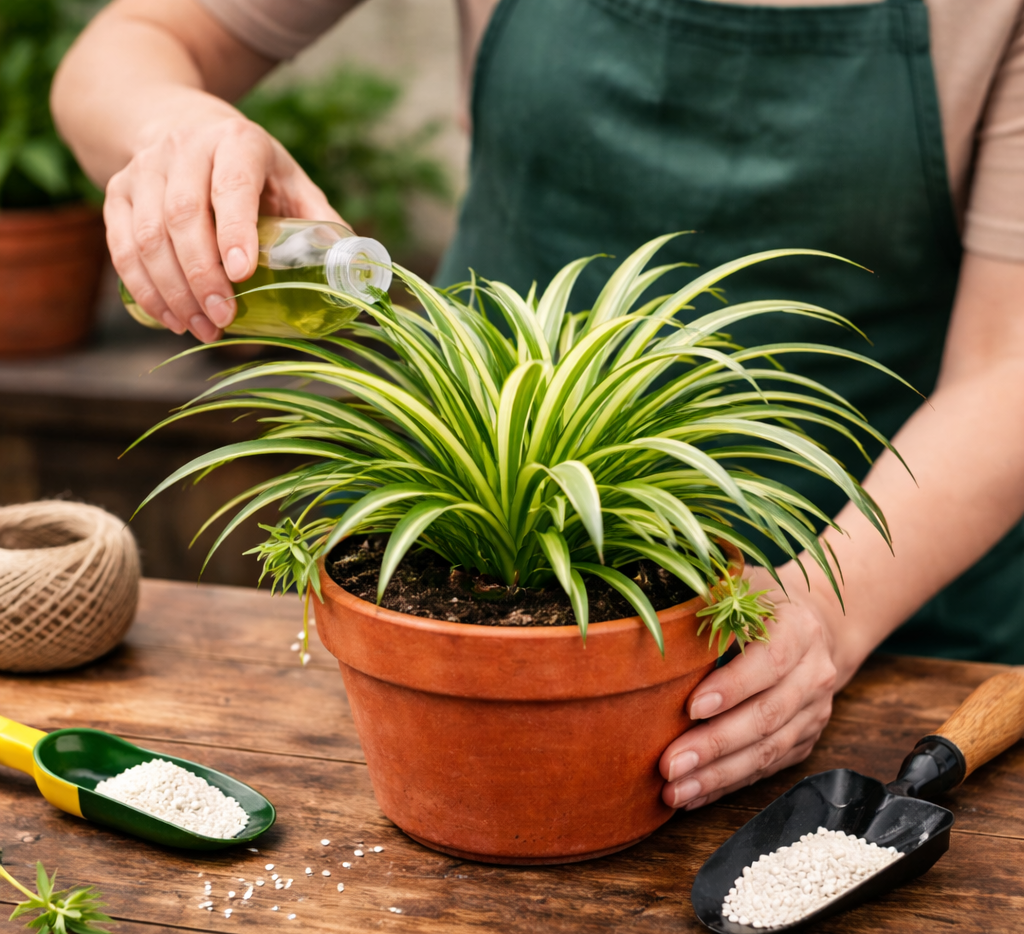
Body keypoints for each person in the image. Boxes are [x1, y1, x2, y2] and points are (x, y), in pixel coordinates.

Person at [52, 0, 1024, 814]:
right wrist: (175, 131)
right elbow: (124, 50)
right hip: (472, 550)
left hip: (872, 614)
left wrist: (824, 605)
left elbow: (1006, 364)